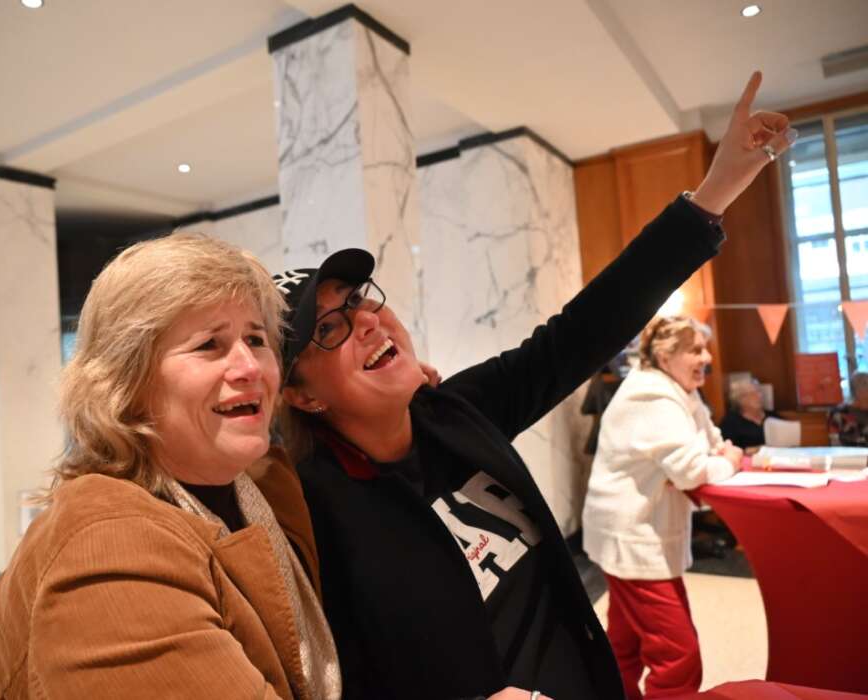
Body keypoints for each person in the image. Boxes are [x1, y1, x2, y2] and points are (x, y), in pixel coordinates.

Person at [271, 72, 792, 700]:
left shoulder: (453, 411)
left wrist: (718, 188)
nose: (367, 320)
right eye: (329, 328)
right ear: (300, 395)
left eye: (359, 299)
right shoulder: (314, 511)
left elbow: (578, 334)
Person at [0, 234, 341, 699]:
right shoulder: (107, 551)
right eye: (209, 344)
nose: (250, 366)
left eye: (255, 338)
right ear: (128, 382)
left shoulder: (261, 481)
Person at [582, 316, 742, 698]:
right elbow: (693, 470)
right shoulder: (653, 397)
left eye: (706, 349)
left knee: (625, 643)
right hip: (634, 538)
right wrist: (730, 462)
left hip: (631, 534)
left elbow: (712, 442)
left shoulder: (680, 391)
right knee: (678, 654)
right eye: (695, 350)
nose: (707, 358)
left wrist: (718, 456)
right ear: (665, 356)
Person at [720, 377, 778, 449]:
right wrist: (750, 450)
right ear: (739, 399)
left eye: (758, 391)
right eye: (751, 394)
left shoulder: (772, 416)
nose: (758, 396)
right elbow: (725, 448)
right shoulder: (730, 422)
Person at [829, 371, 868, 446]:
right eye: (866, 399)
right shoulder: (838, 413)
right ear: (855, 395)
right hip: (848, 452)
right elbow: (835, 442)